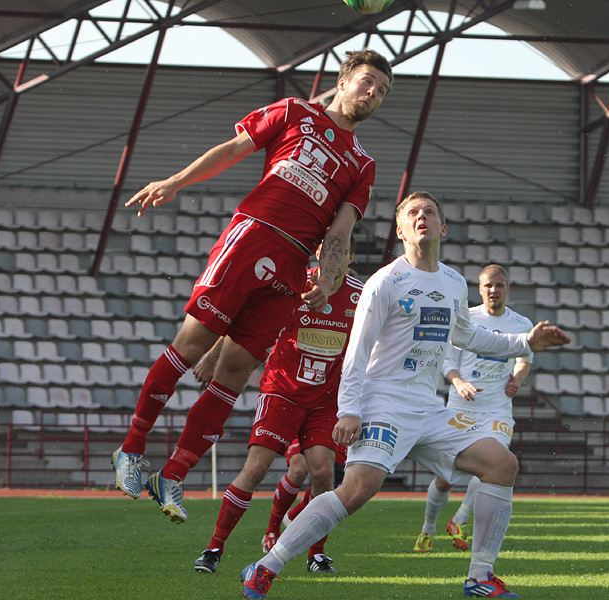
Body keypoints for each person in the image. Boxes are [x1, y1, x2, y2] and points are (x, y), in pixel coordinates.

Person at [238, 191, 571, 599]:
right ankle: (265, 567)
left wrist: (525, 343)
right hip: (383, 403)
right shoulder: (385, 283)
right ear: (400, 230)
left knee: (502, 465)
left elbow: (468, 336)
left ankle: (480, 578)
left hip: (428, 407)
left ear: (442, 228)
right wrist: (349, 409)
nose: (422, 217)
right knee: (357, 490)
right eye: (412, 213)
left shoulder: (452, 282)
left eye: (429, 212)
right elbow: (357, 352)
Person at [110, 50, 392, 523]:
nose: (372, 93)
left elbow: (340, 232)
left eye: (381, 91)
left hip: (292, 266)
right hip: (252, 236)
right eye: (367, 82)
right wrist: (176, 181)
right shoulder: (292, 111)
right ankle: (132, 451)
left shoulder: (363, 163)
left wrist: (328, 278)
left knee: (236, 371)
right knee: (192, 343)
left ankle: (172, 476)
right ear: (342, 82)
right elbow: (233, 149)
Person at [192, 235, 360, 574]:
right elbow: (248, 323)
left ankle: (316, 554)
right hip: (282, 391)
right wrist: (212, 357)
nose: (334, 258)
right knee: (254, 471)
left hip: (327, 400)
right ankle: (214, 547)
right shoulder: (297, 285)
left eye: (341, 252)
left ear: (350, 256)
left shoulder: (362, 295)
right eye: (328, 252)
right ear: (317, 253)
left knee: (323, 474)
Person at [412, 264, 533, 554]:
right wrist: (459, 382)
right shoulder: (466, 319)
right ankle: (428, 528)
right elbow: (447, 360)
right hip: (461, 406)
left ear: (507, 288)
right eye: (488, 285)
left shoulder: (521, 324)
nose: (494, 290)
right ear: (479, 289)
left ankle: (459, 519)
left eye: (499, 285)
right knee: (445, 479)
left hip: (497, 409)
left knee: (497, 463)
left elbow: (525, 358)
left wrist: (517, 379)